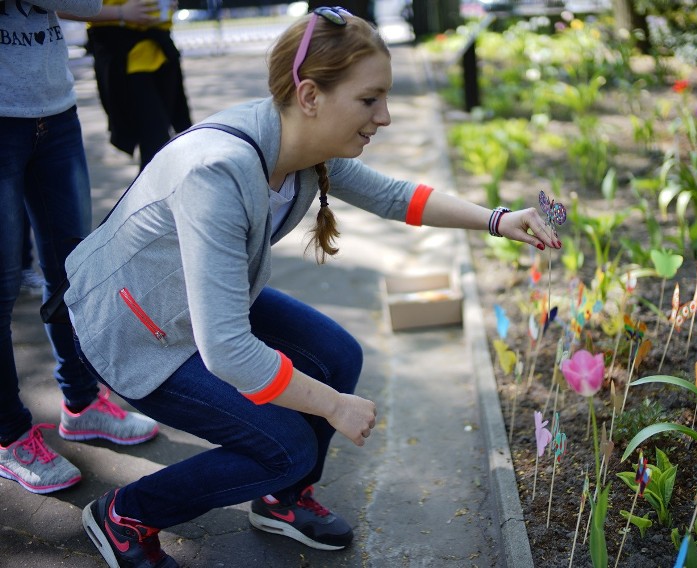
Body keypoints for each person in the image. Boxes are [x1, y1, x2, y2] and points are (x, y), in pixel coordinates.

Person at [64, 7, 560, 566]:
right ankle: (125, 514)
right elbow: (228, 351)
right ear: (310, 95)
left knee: (337, 355)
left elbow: (395, 196)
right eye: (370, 100)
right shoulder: (219, 173)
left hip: (199, 306)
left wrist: (498, 219)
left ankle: (281, 501)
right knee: (287, 446)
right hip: (135, 329)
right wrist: (333, 407)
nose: (386, 117)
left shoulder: (299, 143)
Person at [0, 0, 160, 496]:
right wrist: (114, 12)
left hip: (54, 111)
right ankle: (11, 438)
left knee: (73, 272)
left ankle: (83, 404)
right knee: (1, 288)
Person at [60, 0, 192, 171]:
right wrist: (121, 12)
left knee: (166, 136)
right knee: (156, 140)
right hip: (123, 53)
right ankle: (150, 195)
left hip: (160, 50)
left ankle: (155, 193)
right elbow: (61, 7)